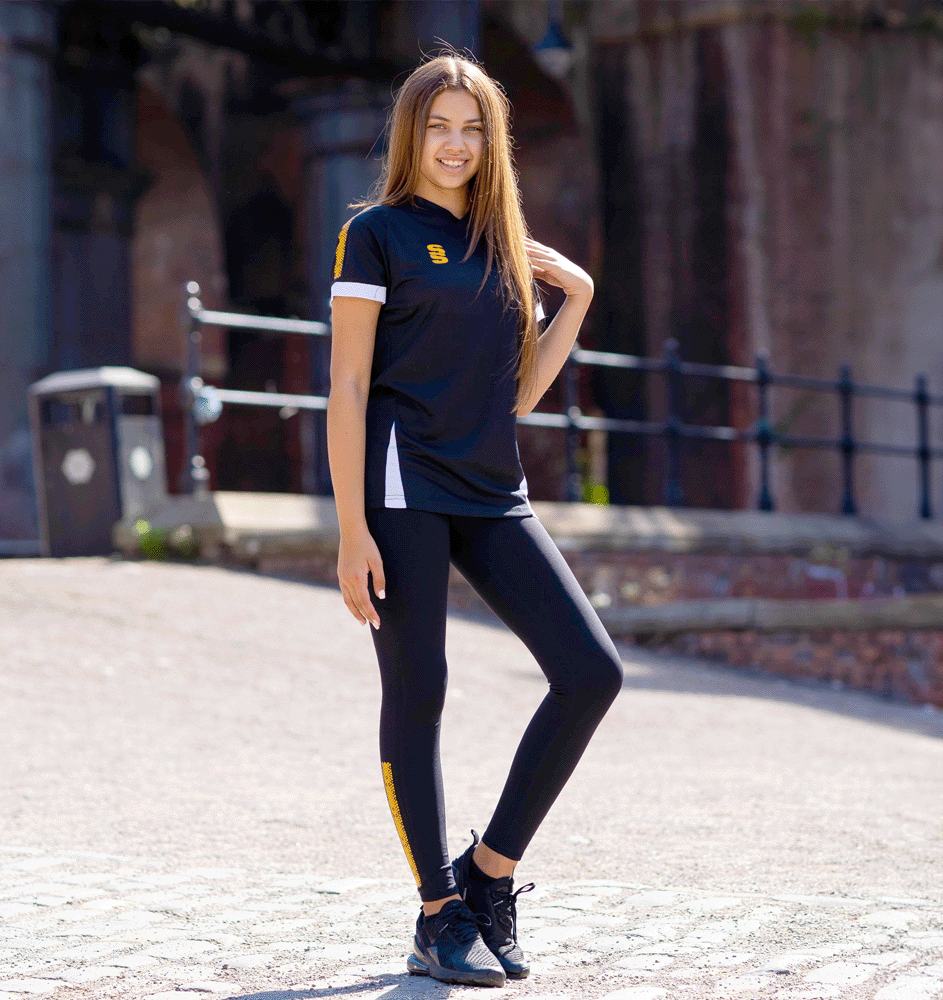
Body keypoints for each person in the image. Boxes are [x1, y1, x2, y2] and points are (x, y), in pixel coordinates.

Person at [326, 50, 623, 988]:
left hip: (493, 486)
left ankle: (489, 874)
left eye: (472, 129)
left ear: (493, 141)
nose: (455, 145)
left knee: (591, 672)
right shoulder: (375, 234)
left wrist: (575, 298)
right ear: (411, 135)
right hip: (401, 485)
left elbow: (519, 394)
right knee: (420, 692)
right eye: (438, 127)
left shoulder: (504, 243)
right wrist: (351, 531)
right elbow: (347, 386)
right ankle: (437, 913)